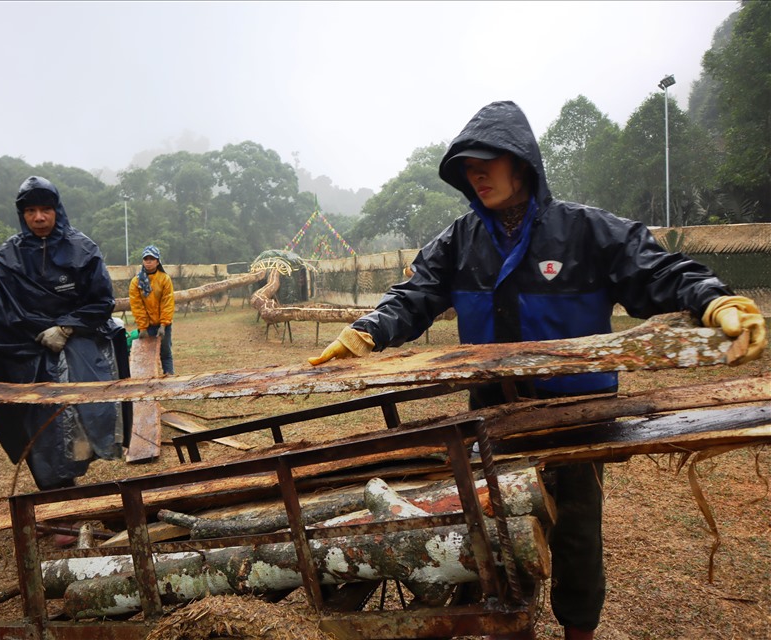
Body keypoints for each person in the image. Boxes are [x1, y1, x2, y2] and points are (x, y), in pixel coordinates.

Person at [309, 101, 766, 640]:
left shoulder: (587, 232)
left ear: (520, 163)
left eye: (486, 163)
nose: (475, 175)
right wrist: (368, 330)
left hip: (579, 412)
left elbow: (657, 269)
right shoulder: (460, 241)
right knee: (496, 529)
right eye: (466, 168)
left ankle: (578, 632)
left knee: (576, 533)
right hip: (493, 414)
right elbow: (415, 293)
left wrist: (713, 299)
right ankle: (512, 629)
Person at [0, 176, 130, 492]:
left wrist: (68, 326)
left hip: (73, 345)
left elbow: (101, 300)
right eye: (31, 211)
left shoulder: (82, 249)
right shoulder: (10, 255)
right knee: (39, 425)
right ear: (22, 214)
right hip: (26, 352)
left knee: (81, 418)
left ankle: (71, 478)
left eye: (45, 210)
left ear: (57, 210)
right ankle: (56, 491)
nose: (39, 218)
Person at [128, 245, 176, 375]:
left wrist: (163, 324)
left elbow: (167, 302)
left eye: (152, 258)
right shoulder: (136, 282)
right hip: (146, 326)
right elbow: (137, 306)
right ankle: (146, 383)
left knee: (165, 353)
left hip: (163, 324)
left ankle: (169, 378)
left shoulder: (164, 279)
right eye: (146, 259)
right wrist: (143, 328)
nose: (148, 261)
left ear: (157, 261)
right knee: (145, 356)